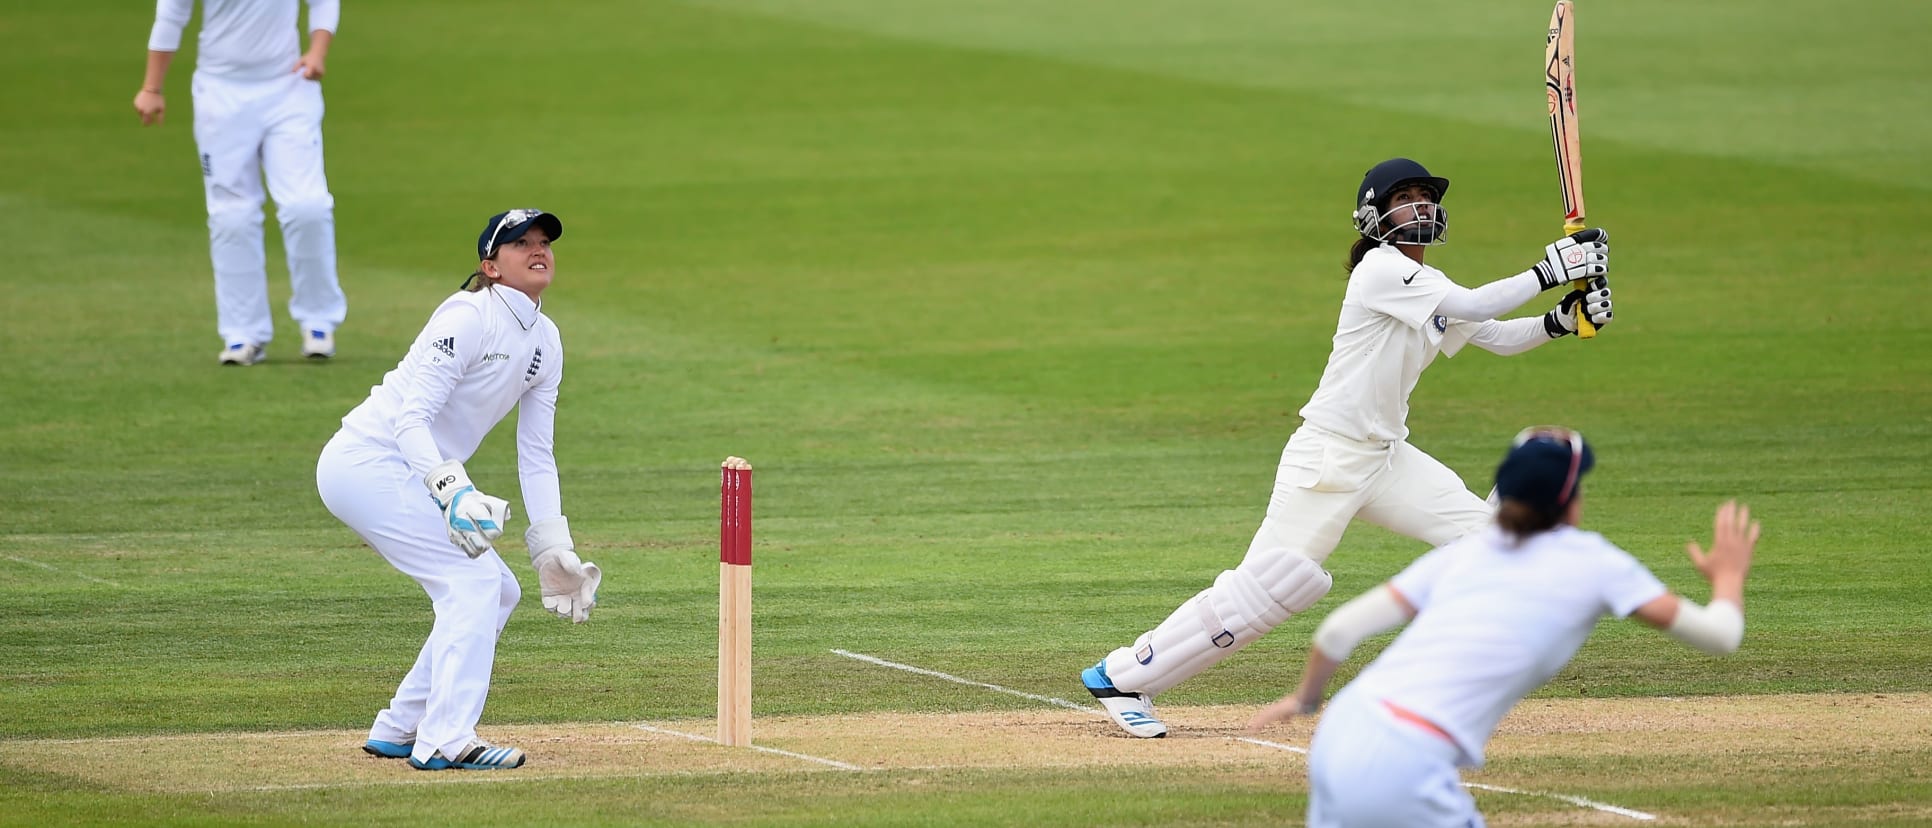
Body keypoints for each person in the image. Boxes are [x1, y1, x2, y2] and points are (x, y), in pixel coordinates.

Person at [1081, 158, 1617, 738]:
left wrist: (1563, 319)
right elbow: (1475, 306)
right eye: (1405, 197)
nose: (1420, 206)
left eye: (1425, 197)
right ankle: (1124, 676)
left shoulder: (1429, 285)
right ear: (1374, 214)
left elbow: (1496, 335)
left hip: (1388, 458)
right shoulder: (1381, 273)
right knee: (1269, 587)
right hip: (1329, 459)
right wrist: (1552, 269)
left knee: (1491, 539)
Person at [1246, 426, 1759, 827]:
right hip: (1409, 759)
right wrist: (1729, 578)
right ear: (1570, 500)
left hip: (1342, 731)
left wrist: (1307, 701)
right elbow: (1721, 635)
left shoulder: (1465, 554)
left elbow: (1337, 632)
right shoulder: (1595, 563)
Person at [316, 209, 602, 770]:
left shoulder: (546, 339)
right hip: (366, 463)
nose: (538, 249)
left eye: (543, 242)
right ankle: (447, 739)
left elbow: (536, 453)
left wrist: (551, 545)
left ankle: (401, 727)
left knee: (499, 590)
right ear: (491, 265)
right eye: (521, 243)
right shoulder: (467, 316)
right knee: (470, 583)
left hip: (407, 472)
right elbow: (410, 421)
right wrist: (453, 490)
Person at [136, 0, 347, 365]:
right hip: (220, 94)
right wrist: (152, 88)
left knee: (306, 207)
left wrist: (317, 50)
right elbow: (171, 16)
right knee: (231, 215)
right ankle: (242, 334)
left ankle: (318, 322)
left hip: (290, 86)